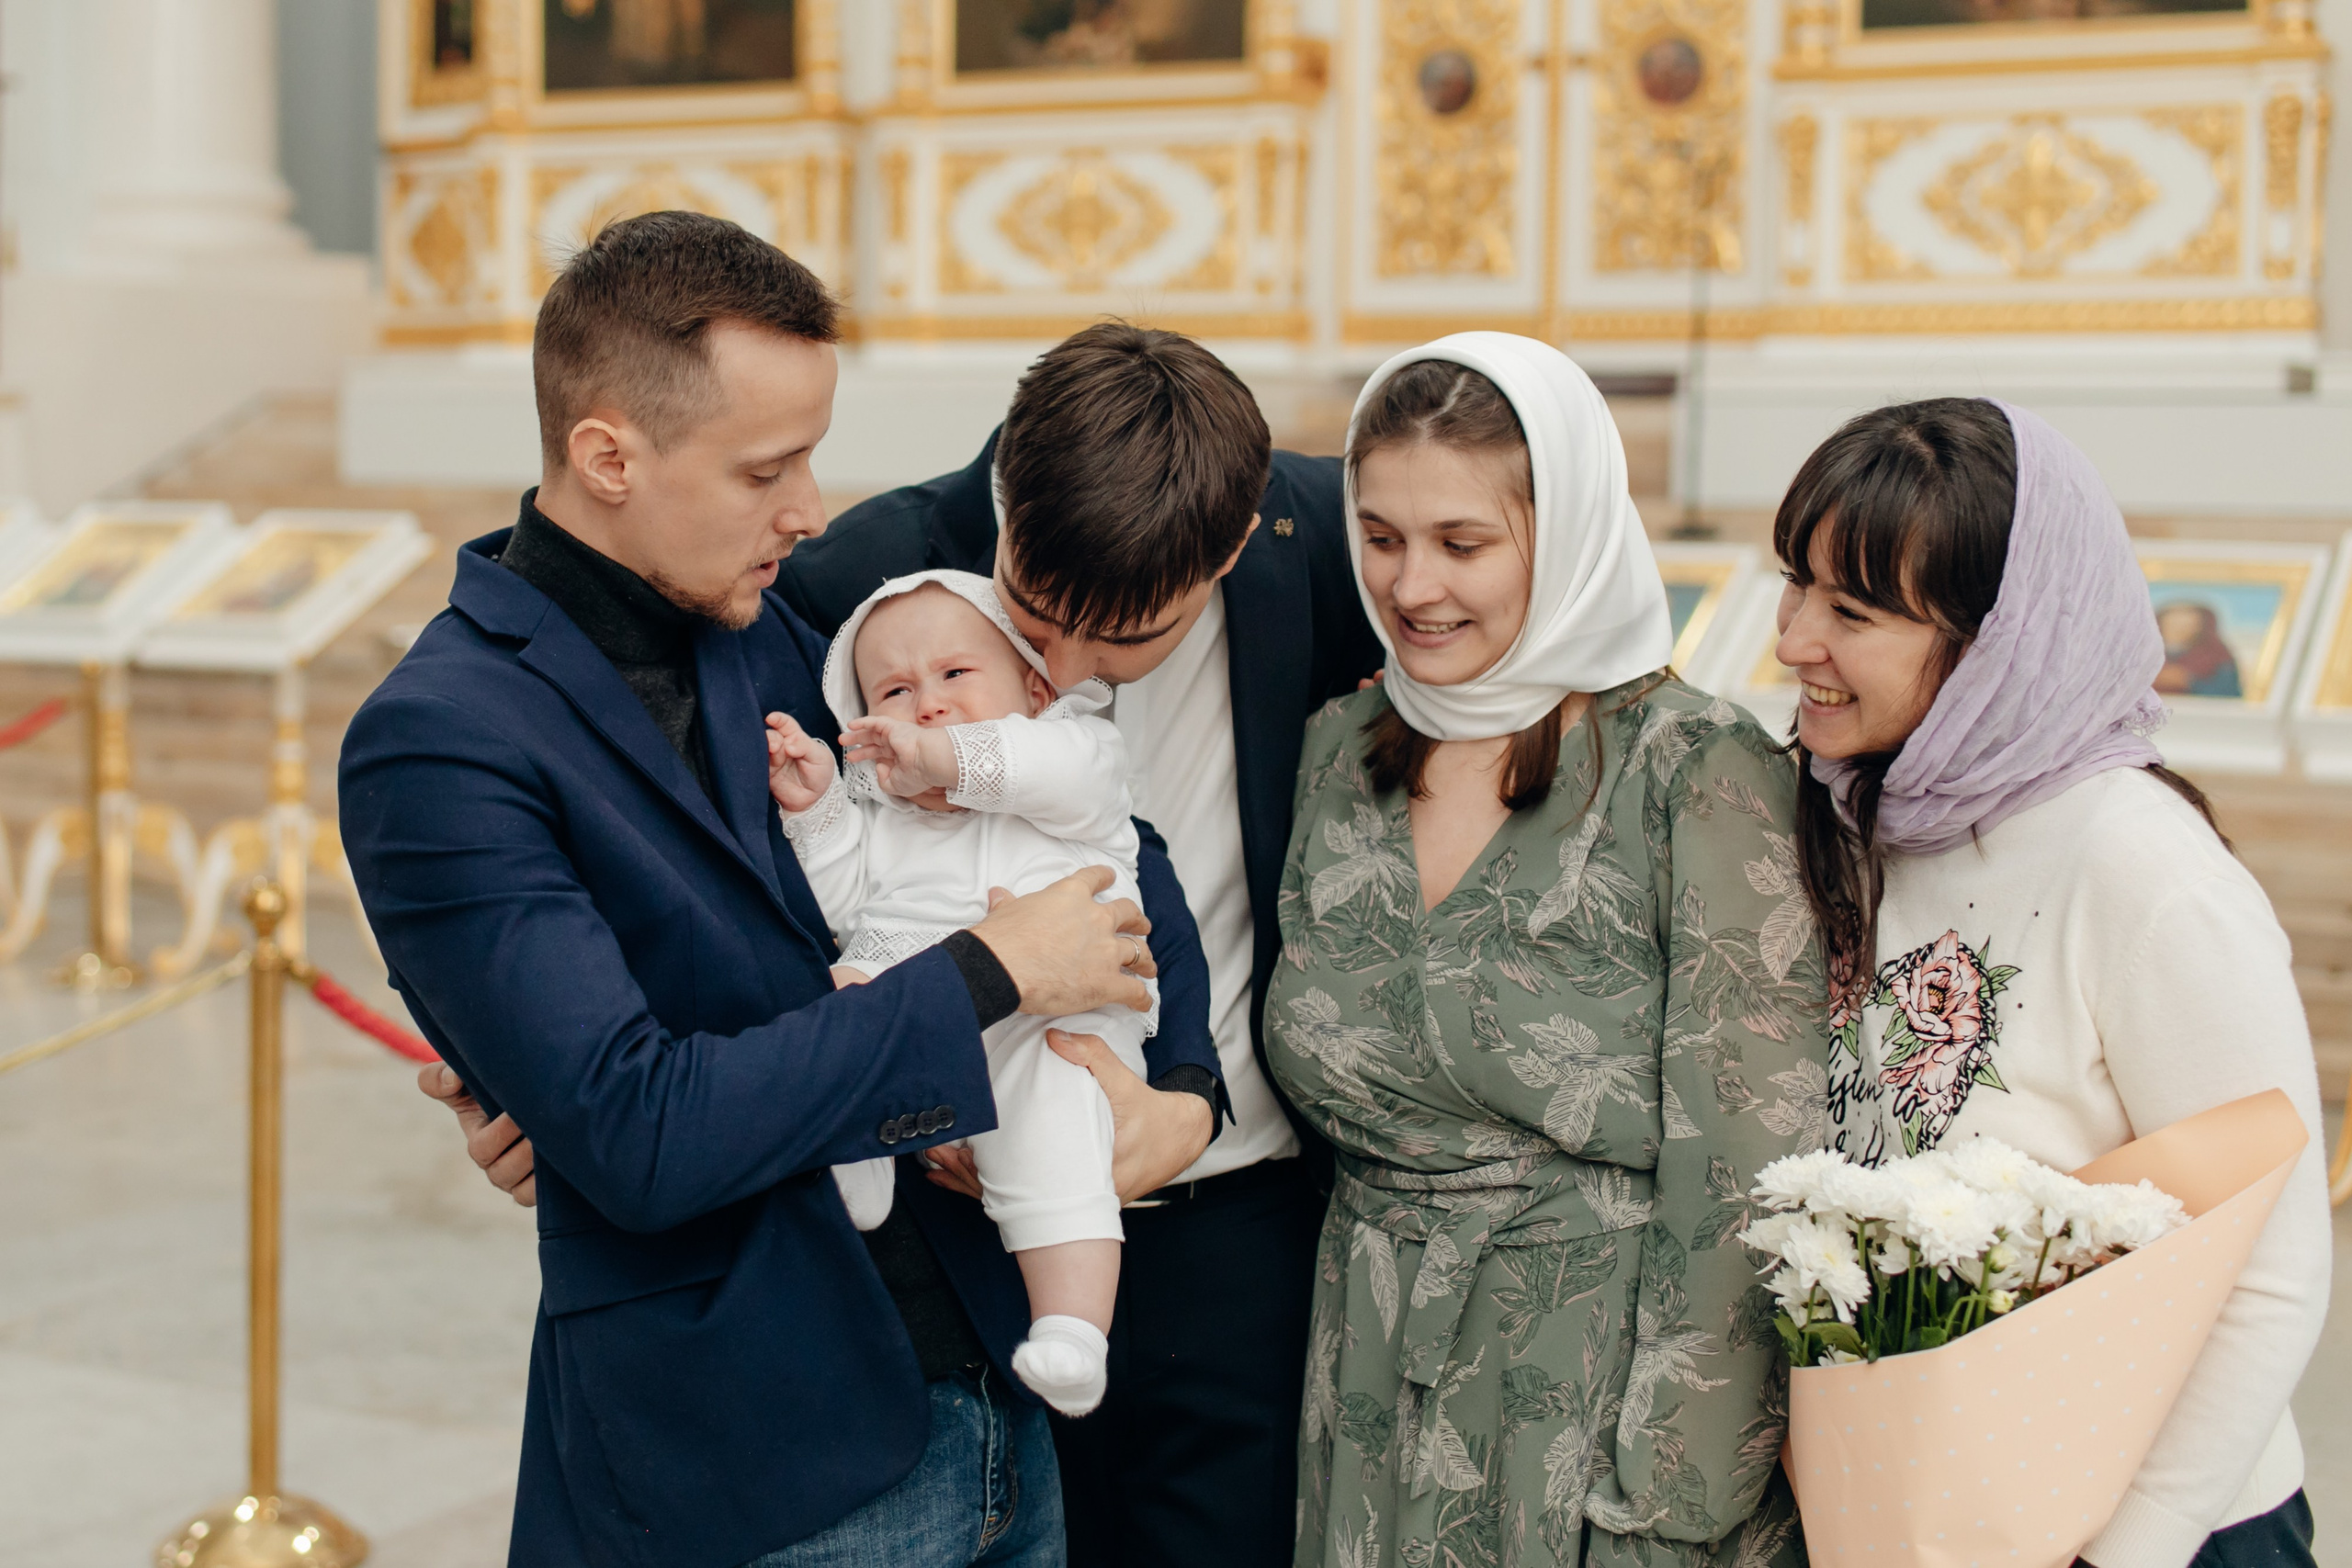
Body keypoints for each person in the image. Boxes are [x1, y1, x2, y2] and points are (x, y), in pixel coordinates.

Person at [423, 315, 1382, 1566]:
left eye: (1134, 640)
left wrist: (1187, 1098)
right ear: (1003, 510)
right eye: (1035, 619)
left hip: (1233, 1225)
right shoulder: (848, 576)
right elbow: (702, 856)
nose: (1065, 675)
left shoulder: (1329, 536)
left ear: (1239, 541)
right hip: (959, 1222)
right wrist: (541, 1086)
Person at [1271, 333, 1818, 1568]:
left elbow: (1749, 1163)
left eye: (1464, 542)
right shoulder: (1336, 752)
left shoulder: (1693, 766)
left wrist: (1672, 1496)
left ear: (1563, 533)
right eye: (1382, 534)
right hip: (1363, 1380)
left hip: (1594, 1395)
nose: (1413, 585)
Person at [1775, 397, 2328, 1568]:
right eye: (1795, 588)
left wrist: (2133, 1547)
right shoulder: (1850, 813)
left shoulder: (2141, 870)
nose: (1790, 641)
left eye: (1852, 612)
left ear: (1998, 646)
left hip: (2156, 1529)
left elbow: (2270, 1272)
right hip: (1930, 1512)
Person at [769, 569, 1184, 1416]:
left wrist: (942, 759)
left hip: (1058, 1023)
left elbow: (1046, 769)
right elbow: (845, 903)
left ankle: (1072, 1327)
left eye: (956, 674)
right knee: (842, 999)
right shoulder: (887, 815)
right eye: (893, 691)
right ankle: (861, 1161)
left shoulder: (1076, 755)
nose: (927, 703)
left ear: (1035, 685)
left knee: (1060, 1124)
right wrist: (819, 811)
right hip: (921, 999)